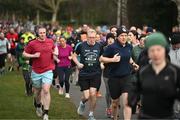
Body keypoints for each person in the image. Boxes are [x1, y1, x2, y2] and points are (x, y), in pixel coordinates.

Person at [137, 32, 180, 119]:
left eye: (159, 49)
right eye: (152, 50)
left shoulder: (174, 71)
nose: (156, 53)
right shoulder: (143, 70)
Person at [100, 27, 139, 120]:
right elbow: (101, 59)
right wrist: (112, 59)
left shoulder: (129, 46)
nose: (124, 37)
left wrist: (133, 63)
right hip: (114, 78)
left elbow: (128, 57)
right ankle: (114, 117)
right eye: (122, 36)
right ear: (117, 36)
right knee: (115, 103)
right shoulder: (111, 47)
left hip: (126, 77)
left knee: (126, 102)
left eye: (126, 35)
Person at [23, 26, 58, 120]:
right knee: (37, 92)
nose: (43, 34)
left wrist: (56, 54)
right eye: (41, 33)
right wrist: (33, 55)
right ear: (37, 33)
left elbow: (54, 49)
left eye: (44, 32)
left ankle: (46, 113)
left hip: (48, 69)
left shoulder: (50, 41)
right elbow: (24, 54)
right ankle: (38, 105)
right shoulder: (32, 43)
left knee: (46, 90)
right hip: (36, 71)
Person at [72, 29, 103, 120]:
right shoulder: (81, 45)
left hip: (95, 73)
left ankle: (91, 114)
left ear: (96, 37)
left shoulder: (99, 46)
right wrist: (78, 64)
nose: (92, 39)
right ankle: (82, 103)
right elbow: (73, 56)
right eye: (90, 37)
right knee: (86, 96)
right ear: (87, 37)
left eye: (93, 38)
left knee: (93, 94)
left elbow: (101, 57)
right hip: (84, 74)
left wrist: (101, 63)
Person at [101, 33, 115, 118]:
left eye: (112, 38)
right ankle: (108, 108)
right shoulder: (104, 48)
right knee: (109, 91)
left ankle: (113, 106)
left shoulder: (117, 48)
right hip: (106, 73)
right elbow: (100, 58)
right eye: (108, 38)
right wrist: (102, 63)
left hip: (116, 73)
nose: (110, 40)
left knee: (115, 92)